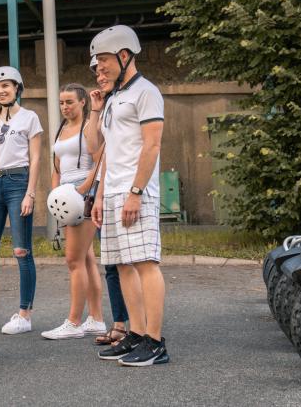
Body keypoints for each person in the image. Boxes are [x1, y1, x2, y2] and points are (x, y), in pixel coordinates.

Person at [88, 25, 169, 366]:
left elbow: (152, 145)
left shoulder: (145, 92)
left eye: (103, 60)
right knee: (122, 265)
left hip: (137, 190)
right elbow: (99, 151)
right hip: (114, 191)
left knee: (145, 264)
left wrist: (136, 191)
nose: (98, 68)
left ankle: (155, 342)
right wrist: (100, 196)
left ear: (124, 55)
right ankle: (135, 334)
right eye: (95, 64)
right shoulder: (113, 99)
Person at [0, 66, 42, 334]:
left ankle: (25, 315)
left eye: (6, 85)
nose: (0, 90)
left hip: (18, 184)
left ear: (17, 88)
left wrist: (30, 193)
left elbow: (36, 158)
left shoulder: (30, 118)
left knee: (21, 251)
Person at [41, 83, 106, 340]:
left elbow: (100, 160)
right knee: (86, 258)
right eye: (61, 103)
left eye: (69, 102)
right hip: (66, 197)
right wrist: (56, 193)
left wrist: (83, 189)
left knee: (73, 260)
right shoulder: (61, 130)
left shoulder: (90, 127)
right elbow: (57, 168)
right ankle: (97, 319)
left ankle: (74, 322)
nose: (65, 107)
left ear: (82, 102)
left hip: (83, 195)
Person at [83, 57, 130, 346]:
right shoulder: (108, 106)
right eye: (95, 73)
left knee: (130, 262)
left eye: (102, 71)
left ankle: (138, 327)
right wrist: (96, 110)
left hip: (125, 187)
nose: (99, 77)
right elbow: (92, 146)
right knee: (111, 263)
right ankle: (121, 323)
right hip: (105, 187)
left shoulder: (129, 101)